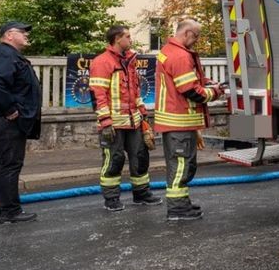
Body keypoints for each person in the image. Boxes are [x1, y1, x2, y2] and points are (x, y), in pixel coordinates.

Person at [154, 18, 225, 221]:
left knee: (183, 164)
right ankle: (177, 209)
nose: (197, 40)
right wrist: (214, 92)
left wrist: (208, 83)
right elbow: (190, 90)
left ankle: (182, 204)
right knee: (180, 167)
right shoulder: (179, 55)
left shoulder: (171, 51)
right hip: (179, 121)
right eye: (196, 36)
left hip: (177, 121)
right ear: (186, 33)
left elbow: (187, 80)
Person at [0, 21, 42, 224]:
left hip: (0, 119)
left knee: (2, 163)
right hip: (5, 121)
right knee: (11, 164)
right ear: (10, 35)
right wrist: (10, 109)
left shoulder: (7, 55)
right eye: (22, 32)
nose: (26, 36)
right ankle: (10, 210)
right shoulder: (5, 55)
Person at [89, 25, 162, 211]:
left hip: (134, 121)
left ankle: (141, 194)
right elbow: (99, 95)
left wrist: (142, 112)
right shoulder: (102, 62)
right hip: (113, 124)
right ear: (117, 39)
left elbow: (134, 90)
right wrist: (105, 122)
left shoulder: (130, 60)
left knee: (140, 157)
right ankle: (111, 198)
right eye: (127, 36)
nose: (131, 40)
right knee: (114, 159)